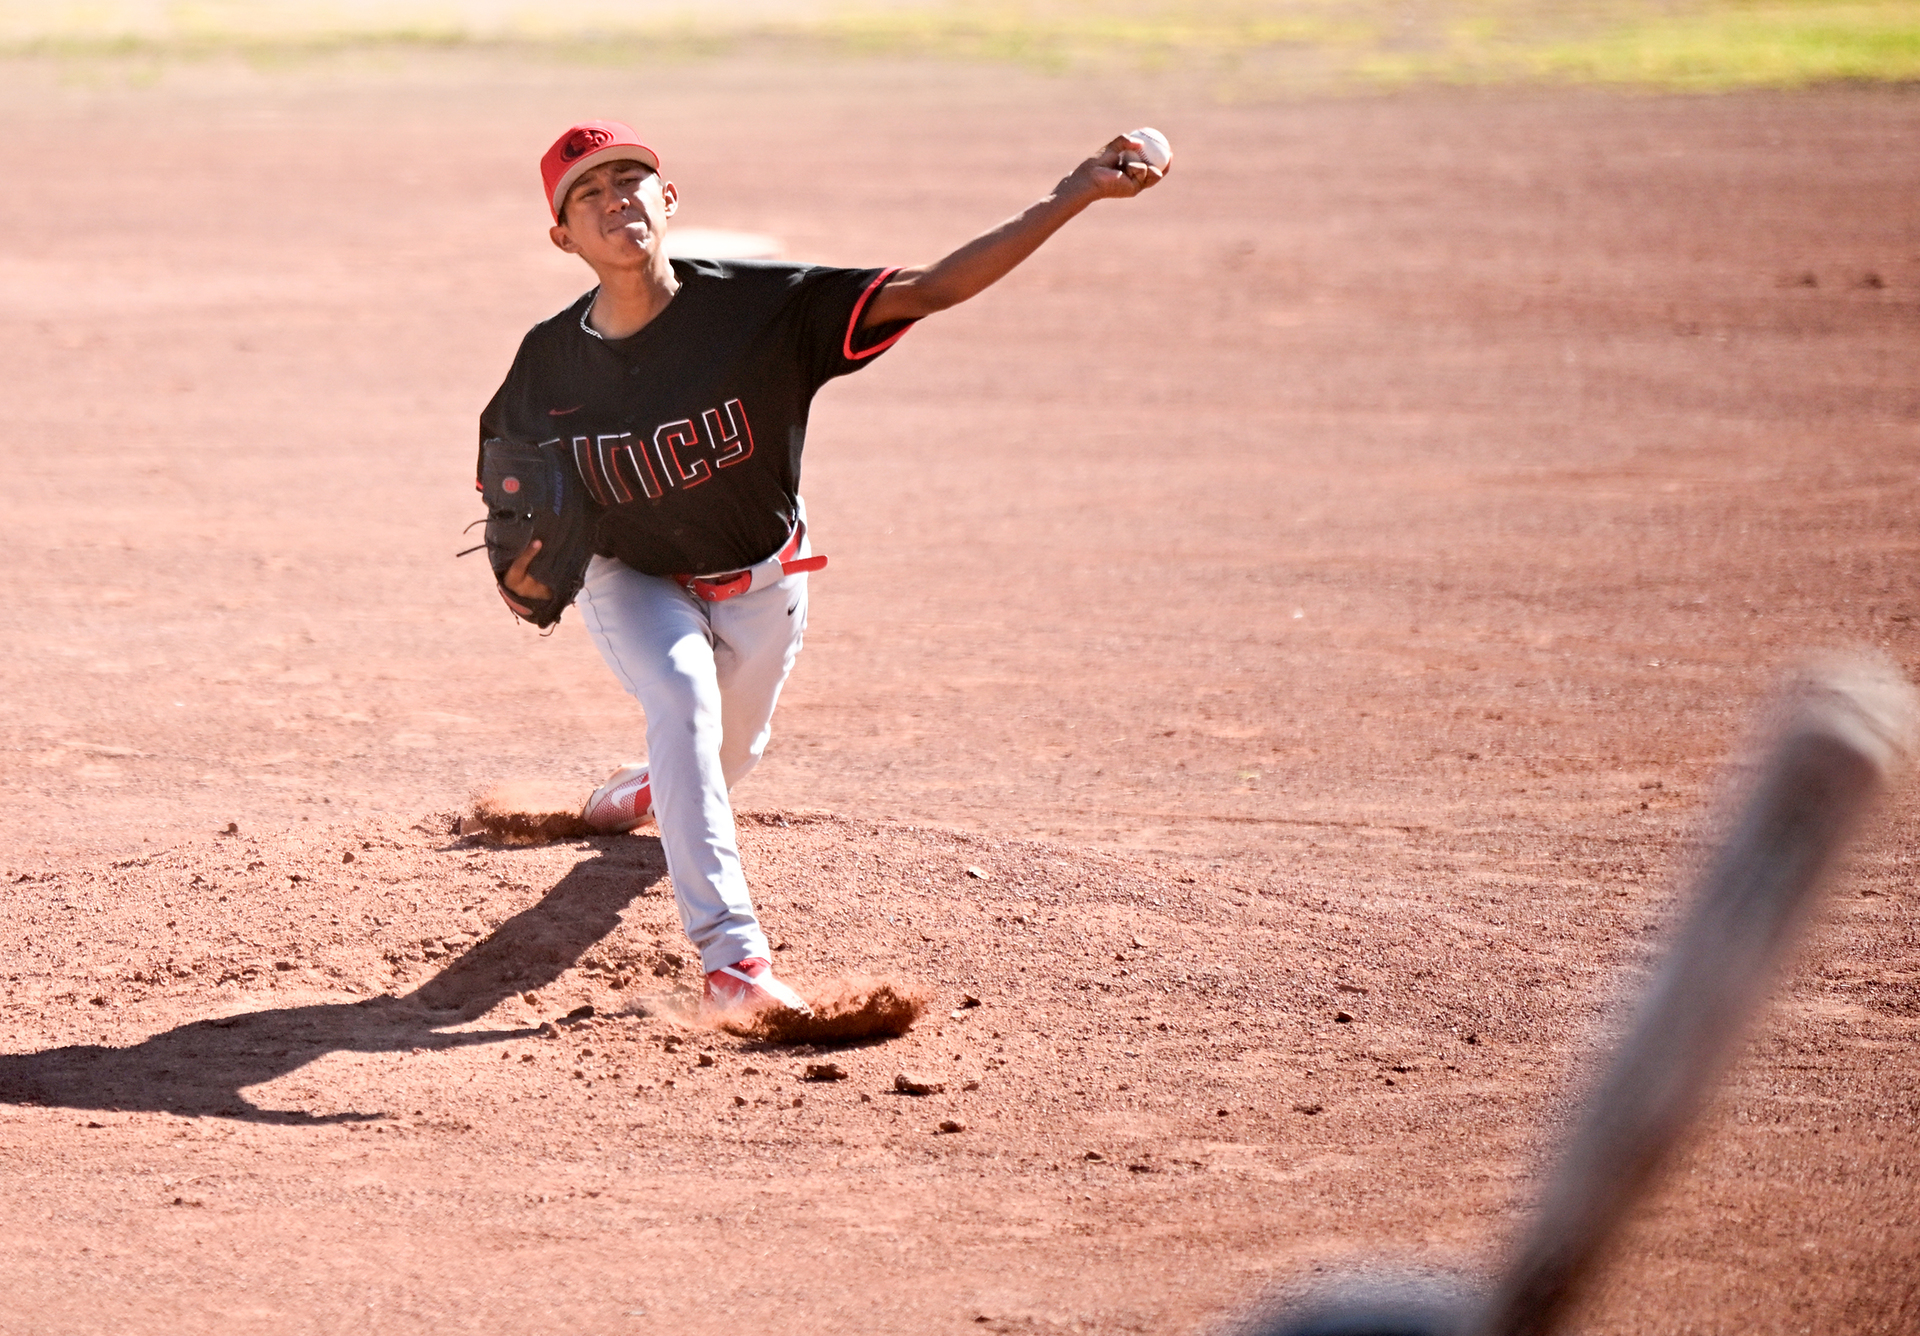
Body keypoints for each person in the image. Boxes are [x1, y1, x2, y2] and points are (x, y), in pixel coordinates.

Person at [480, 119, 1167, 1018]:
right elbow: (507, 476)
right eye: (589, 193)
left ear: (668, 198)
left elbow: (935, 287)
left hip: (765, 575)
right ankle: (734, 965)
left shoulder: (760, 309)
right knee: (682, 703)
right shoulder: (547, 360)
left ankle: (657, 785)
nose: (617, 200)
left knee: (724, 760)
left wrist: (1075, 190)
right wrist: (521, 550)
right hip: (635, 579)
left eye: (632, 180)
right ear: (564, 235)